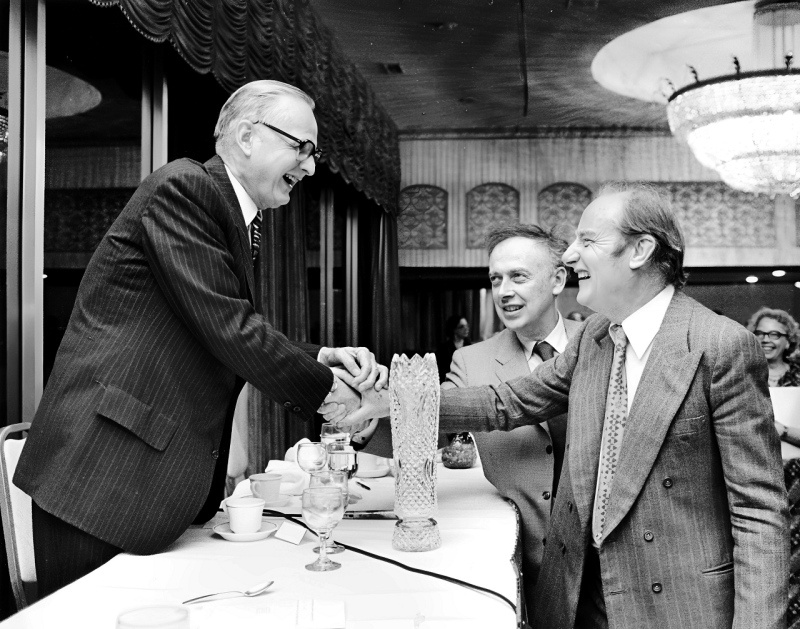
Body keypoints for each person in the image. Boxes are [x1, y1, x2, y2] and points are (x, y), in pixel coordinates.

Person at [344, 181, 788, 628]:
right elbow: (506, 402)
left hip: (675, 603)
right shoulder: (596, 338)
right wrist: (392, 400)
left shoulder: (721, 345)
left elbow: (758, 511)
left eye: (588, 241)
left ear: (640, 250)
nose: (572, 255)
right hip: (581, 594)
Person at [14, 80, 386, 596]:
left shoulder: (231, 213)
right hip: (100, 474)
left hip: (134, 475)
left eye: (314, 152)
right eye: (301, 147)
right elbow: (226, 326)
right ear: (246, 135)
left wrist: (320, 356)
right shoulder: (185, 188)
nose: (310, 166)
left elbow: (212, 325)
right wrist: (333, 394)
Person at [435, 315, 471, 384]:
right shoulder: (444, 348)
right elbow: (441, 371)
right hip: (448, 382)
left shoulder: (470, 346)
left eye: (467, 326)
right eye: (462, 327)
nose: (466, 329)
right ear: (454, 329)